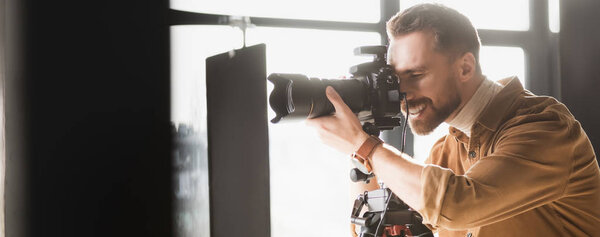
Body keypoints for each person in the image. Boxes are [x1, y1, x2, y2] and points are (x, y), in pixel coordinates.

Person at [307, 4, 600, 237]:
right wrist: (359, 146)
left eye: (416, 75)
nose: (402, 94)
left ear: (465, 67)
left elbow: (457, 204)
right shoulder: (445, 152)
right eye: (397, 80)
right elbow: (379, 228)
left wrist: (364, 146)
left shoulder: (545, 129)